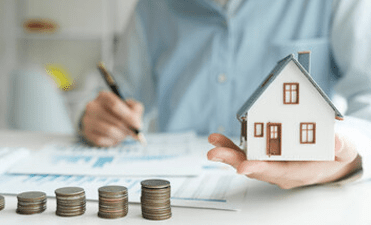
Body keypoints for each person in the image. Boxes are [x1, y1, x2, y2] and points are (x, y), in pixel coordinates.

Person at [79, 0, 370, 189]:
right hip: (176, 194)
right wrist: (97, 118)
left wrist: (346, 160)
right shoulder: (152, 8)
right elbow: (118, 96)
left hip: (308, 200)